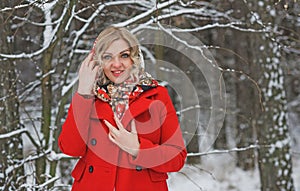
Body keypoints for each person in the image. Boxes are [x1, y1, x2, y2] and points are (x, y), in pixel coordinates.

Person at [58, 26, 187, 191]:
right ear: (97, 61)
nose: (116, 64)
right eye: (107, 56)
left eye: (124, 55)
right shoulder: (88, 97)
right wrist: (83, 91)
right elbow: (70, 148)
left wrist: (138, 148)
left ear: (134, 58)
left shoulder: (157, 95)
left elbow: (177, 159)